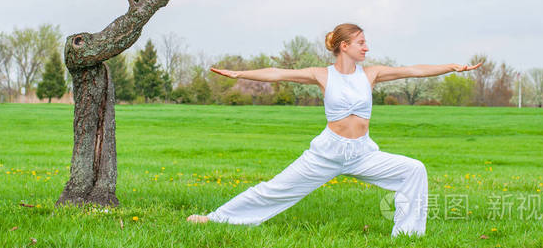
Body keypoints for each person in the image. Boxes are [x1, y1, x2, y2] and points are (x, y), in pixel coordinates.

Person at [187, 23, 482, 237]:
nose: (366, 47)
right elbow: (277, 73)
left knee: (413, 170)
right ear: (345, 46)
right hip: (327, 152)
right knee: (274, 190)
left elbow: (414, 70)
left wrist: (451, 67)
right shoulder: (321, 74)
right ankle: (215, 219)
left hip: (362, 152)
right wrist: (239, 73)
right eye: (361, 42)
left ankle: (408, 237)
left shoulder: (372, 73)